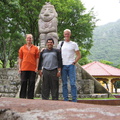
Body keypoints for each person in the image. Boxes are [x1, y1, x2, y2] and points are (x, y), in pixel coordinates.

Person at [57, 29, 81, 102]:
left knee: (73, 83)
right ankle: (66, 99)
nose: (66, 35)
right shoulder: (60, 44)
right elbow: (57, 54)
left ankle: (74, 99)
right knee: (64, 83)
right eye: (65, 34)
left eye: (68, 34)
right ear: (64, 35)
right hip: (63, 66)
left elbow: (79, 55)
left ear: (70, 34)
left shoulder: (74, 44)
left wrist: (74, 62)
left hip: (71, 65)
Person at [18, 34, 39, 99]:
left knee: (32, 82)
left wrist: (37, 67)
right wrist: (19, 67)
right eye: (28, 38)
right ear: (26, 39)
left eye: (30, 38)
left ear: (32, 39)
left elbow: (37, 58)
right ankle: (22, 97)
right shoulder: (22, 48)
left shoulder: (35, 48)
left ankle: (30, 97)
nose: (29, 39)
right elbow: (20, 58)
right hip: (24, 68)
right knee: (23, 82)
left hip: (32, 68)